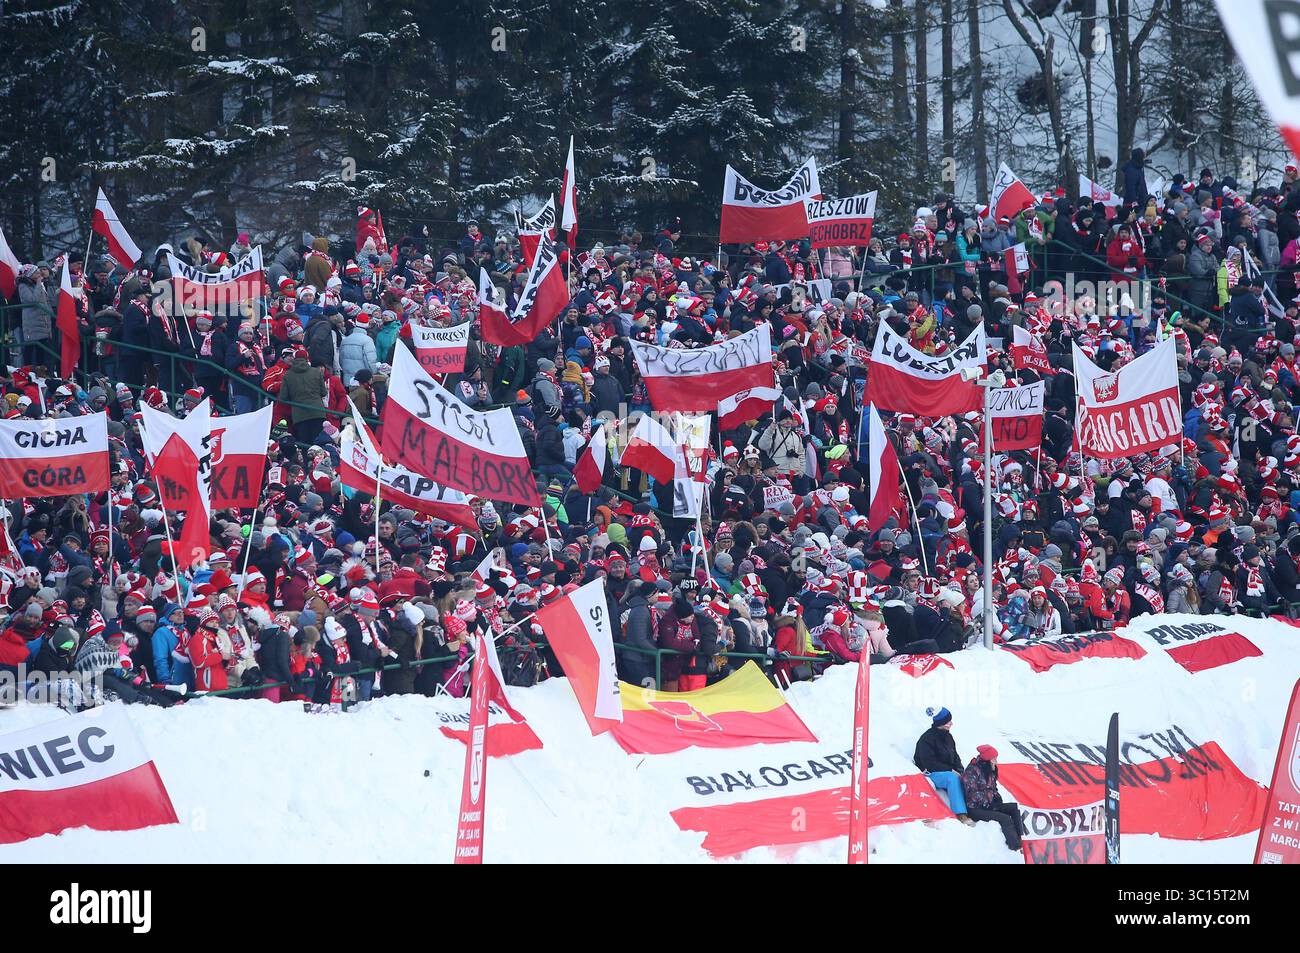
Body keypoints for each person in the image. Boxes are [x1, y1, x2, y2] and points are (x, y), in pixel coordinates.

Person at [913, 707, 975, 825]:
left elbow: (955, 756)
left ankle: (975, 809)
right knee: (952, 778)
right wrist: (950, 770)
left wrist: (961, 770)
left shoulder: (948, 737)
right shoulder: (926, 739)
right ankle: (961, 814)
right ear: (941, 723)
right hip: (930, 773)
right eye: (948, 721)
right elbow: (929, 763)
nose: (951, 723)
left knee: (965, 778)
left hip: (947, 771)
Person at [960, 745, 1023, 850]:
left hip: (988, 804)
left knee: (1015, 808)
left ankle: (1022, 838)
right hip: (975, 808)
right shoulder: (972, 771)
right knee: (1005, 818)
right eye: (994, 759)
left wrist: (997, 801)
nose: (996, 762)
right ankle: (1015, 847)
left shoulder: (990, 770)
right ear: (987, 759)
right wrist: (989, 804)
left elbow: (993, 789)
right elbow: (972, 793)